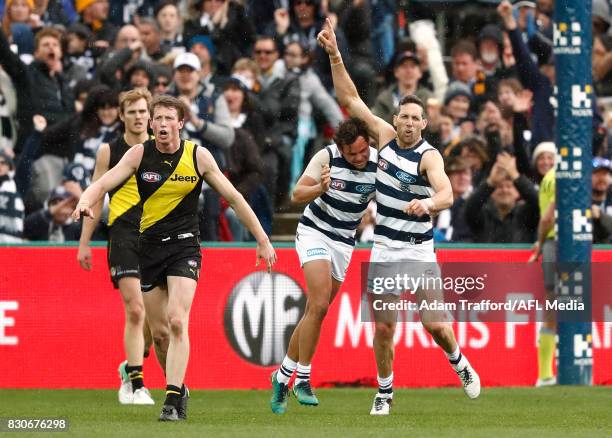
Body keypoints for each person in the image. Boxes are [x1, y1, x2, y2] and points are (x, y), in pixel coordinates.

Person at [72, 94, 277, 422]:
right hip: (148, 249)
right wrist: (85, 199)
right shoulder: (140, 154)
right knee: (162, 333)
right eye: (158, 119)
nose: (163, 124)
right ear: (152, 125)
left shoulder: (198, 156)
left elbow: (235, 198)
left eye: (170, 119)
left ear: (181, 123)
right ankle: (177, 385)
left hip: (184, 246)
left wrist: (263, 240)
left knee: (178, 319)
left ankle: (172, 400)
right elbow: (104, 182)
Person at [317, 18, 480, 415]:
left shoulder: (429, 156)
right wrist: (336, 55)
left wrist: (429, 204)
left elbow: (446, 192)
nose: (407, 123)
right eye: (403, 116)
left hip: (420, 251)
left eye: (414, 119)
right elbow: (350, 98)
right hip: (386, 248)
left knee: (434, 325)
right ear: (397, 118)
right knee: (384, 328)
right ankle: (385, 392)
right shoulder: (385, 138)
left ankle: (458, 361)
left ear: (424, 124)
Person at [270, 117, 377, 414]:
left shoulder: (378, 164)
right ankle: (302, 378)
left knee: (314, 313)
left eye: (363, 151)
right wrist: (321, 186)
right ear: (341, 148)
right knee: (317, 304)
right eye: (352, 153)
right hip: (314, 231)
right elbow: (296, 194)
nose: (359, 157)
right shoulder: (326, 157)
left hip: (344, 242)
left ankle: (281, 376)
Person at [77, 88, 156, 405]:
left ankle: (131, 366)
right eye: (132, 111)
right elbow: (95, 194)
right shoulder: (109, 151)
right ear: (121, 116)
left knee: (155, 320)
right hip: (123, 233)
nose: (138, 117)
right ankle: (136, 385)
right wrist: (85, 242)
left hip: (156, 234)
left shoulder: (162, 148)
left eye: (143, 111)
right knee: (135, 309)